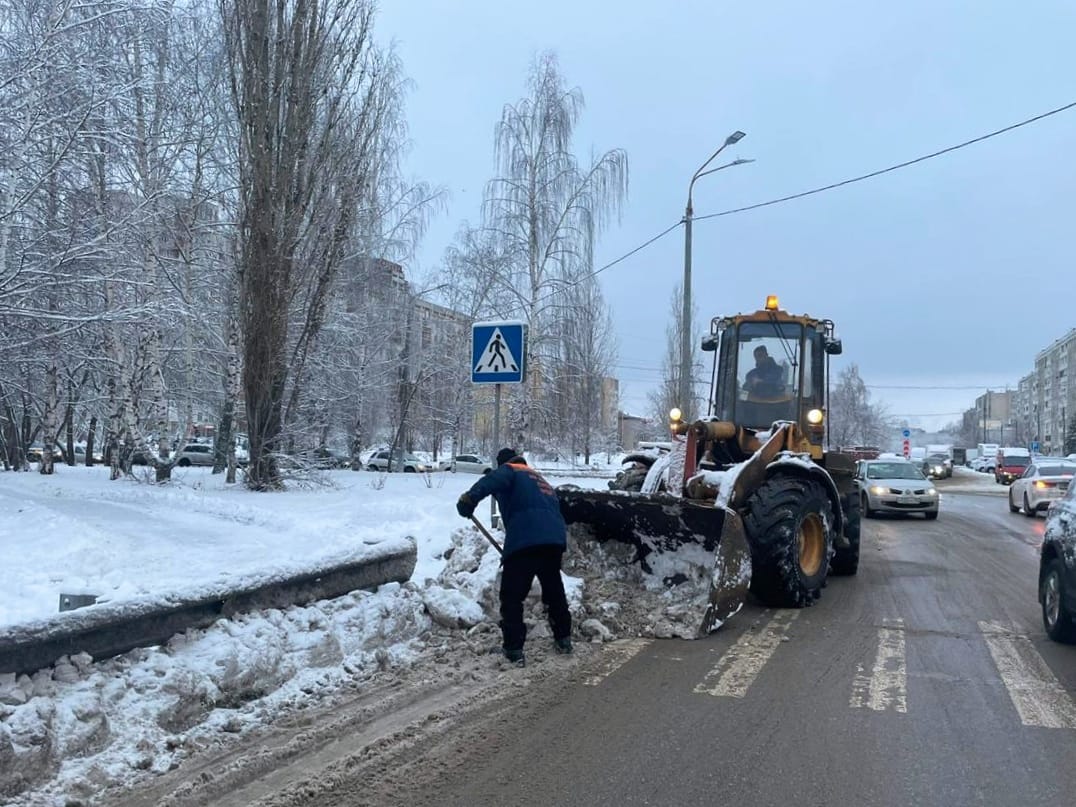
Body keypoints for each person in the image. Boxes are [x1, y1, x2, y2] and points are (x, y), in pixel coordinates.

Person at [456, 447, 572, 666]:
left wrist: (468, 500)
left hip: (526, 540)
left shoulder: (509, 470)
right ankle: (564, 639)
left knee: (511, 596)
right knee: (554, 591)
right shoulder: (538, 477)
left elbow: (490, 481)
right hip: (554, 541)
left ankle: (513, 650)